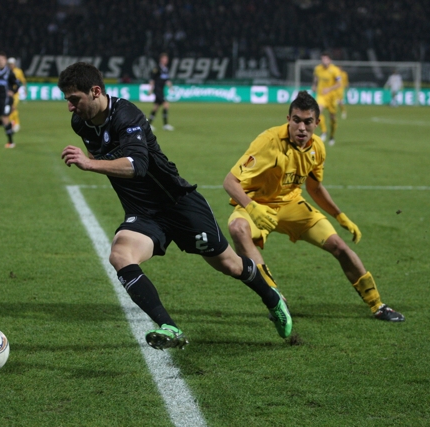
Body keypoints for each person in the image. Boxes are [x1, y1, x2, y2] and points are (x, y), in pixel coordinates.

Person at [59, 62, 292, 350]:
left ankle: (272, 299)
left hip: (179, 204)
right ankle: (169, 326)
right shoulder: (80, 124)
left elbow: (138, 165)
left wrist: (89, 163)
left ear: (95, 92)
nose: (70, 107)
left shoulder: (126, 115)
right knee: (120, 255)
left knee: (231, 265)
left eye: (74, 99)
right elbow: (105, 155)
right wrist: (97, 161)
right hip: (143, 213)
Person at [223, 91, 405, 323]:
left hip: (292, 204)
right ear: (288, 118)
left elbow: (315, 188)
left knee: (340, 246)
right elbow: (230, 181)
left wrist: (339, 216)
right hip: (259, 204)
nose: (301, 127)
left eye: (308, 121)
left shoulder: (317, 147)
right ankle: (276, 299)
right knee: (238, 228)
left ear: (317, 123)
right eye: (296, 120)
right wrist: (250, 207)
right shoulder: (267, 142)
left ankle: (378, 305)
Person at [312, 52, 342, 146]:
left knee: (332, 118)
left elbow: (339, 84)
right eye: (322, 59)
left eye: (325, 59)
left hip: (332, 97)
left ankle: (332, 136)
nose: (323, 61)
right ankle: (324, 131)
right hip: (321, 95)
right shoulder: (318, 69)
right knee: (318, 111)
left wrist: (329, 89)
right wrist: (314, 85)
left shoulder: (335, 70)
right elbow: (316, 77)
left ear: (330, 60)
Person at [0, 52, 19, 148]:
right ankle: (10, 126)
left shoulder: (10, 73)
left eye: (2, 60)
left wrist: (13, 91)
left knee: (5, 117)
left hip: (7, 99)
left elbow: (17, 84)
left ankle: (11, 142)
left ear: (5, 61)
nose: (1, 62)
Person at [147, 53, 174, 131]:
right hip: (157, 90)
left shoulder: (165, 69)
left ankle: (149, 125)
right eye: (165, 59)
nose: (166, 60)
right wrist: (150, 90)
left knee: (156, 107)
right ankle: (165, 125)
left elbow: (166, 80)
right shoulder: (157, 68)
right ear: (161, 59)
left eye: (167, 59)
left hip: (161, 90)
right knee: (166, 105)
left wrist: (170, 86)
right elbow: (152, 80)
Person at [7, 57, 27, 133]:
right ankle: (14, 123)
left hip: (15, 93)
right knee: (10, 109)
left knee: (13, 107)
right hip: (8, 93)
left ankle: (15, 123)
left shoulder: (18, 71)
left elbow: (23, 80)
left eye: (12, 64)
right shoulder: (7, 72)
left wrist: (25, 90)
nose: (11, 65)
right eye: (9, 64)